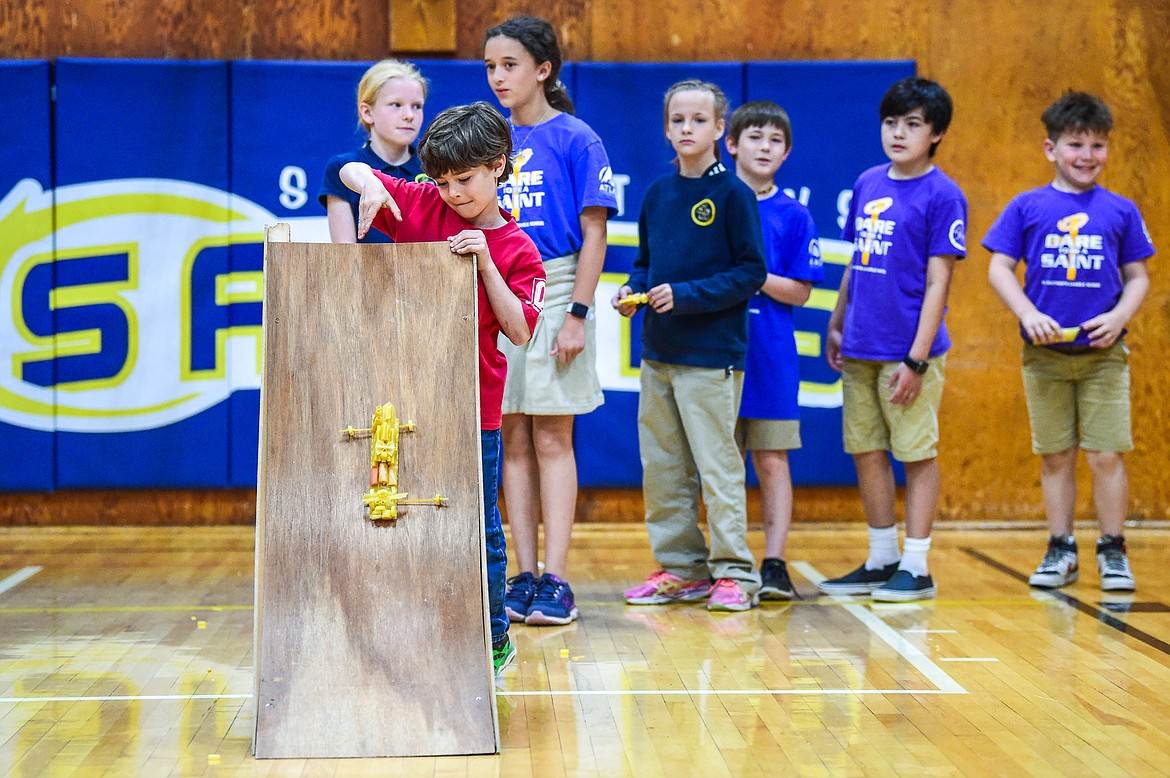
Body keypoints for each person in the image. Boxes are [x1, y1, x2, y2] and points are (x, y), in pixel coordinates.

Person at [340, 101, 546, 676]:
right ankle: (413, 633)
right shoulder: (422, 203)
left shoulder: (519, 250)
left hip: (473, 410)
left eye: (467, 180)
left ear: (499, 166)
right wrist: (370, 187)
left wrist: (484, 262)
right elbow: (343, 168)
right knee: (402, 517)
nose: (454, 193)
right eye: (443, 181)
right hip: (403, 401)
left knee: (480, 529)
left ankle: (495, 636)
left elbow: (522, 330)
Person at [984, 90, 1154, 592]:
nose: (1086, 156)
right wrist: (1028, 312)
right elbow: (998, 267)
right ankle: (1061, 547)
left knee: (1106, 455)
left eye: (1097, 146)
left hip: (1104, 357)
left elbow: (1139, 277)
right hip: (1045, 357)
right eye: (1075, 144)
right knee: (1056, 454)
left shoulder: (1120, 211)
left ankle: (1113, 549)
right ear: (1050, 148)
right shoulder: (1027, 206)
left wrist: (1119, 316)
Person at [483, 16, 618, 627]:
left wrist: (577, 315)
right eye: (490, 67)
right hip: (500, 288)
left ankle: (558, 578)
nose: (498, 77)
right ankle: (521, 573)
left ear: (543, 69)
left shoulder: (577, 138)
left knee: (551, 437)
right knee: (510, 436)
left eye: (509, 65)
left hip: (559, 284)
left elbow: (595, 234)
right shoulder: (492, 138)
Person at [614, 79, 768, 612]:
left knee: (717, 467)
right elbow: (645, 261)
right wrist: (633, 291)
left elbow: (751, 272)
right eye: (678, 120)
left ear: (720, 129)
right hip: (658, 355)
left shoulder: (734, 195)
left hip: (711, 356)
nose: (687, 128)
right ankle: (682, 570)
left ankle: (735, 573)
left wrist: (684, 296)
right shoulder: (658, 194)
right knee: (663, 468)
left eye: (698, 120)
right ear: (666, 128)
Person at [817, 77, 967, 602]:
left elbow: (939, 283)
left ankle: (918, 565)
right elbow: (857, 261)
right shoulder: (867, 183)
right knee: (867, 450)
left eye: (912, 124)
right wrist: (837, 321)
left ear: (936, 133)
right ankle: (882, 558)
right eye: (890, 122)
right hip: (859, 346)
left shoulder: (944, 194)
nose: (898, 133)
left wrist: (917, 360)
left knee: (916, 453)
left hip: (908, 352)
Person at [725, 101, 824, 600]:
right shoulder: (716, 202)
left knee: (771, 459)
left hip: (771, 355)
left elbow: (802, 291)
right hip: (716, 351)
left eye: (775, 141)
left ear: (786, 153)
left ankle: (775, 562)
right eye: (755, 137)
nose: (765, 147)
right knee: (720, 463)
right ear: (732, 144)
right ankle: (727, 562)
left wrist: (753, 276)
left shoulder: (793, 213)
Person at [319, 59, 428, 243]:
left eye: (417, 106)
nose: (409, 115)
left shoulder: (434, 167)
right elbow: (344, 255)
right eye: (396, 104)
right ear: (367, 113)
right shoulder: (341, 167)